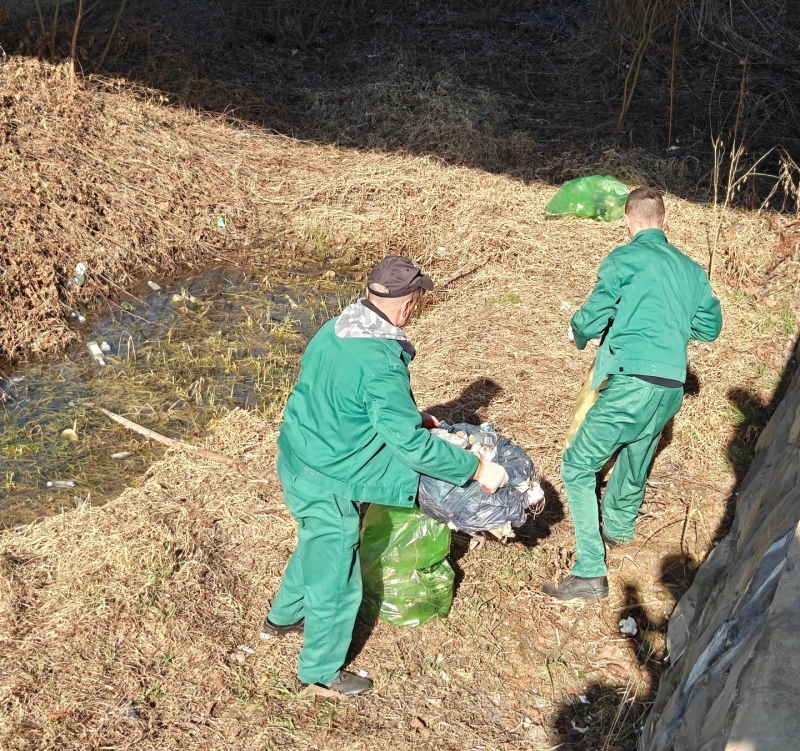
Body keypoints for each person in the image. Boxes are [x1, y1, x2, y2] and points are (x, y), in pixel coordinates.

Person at [262, 256, 509, 694]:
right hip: (330, 478)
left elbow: (349, 400)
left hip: (297, 455)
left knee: (315, 541)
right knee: (338, 575)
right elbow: (410, 446)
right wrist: (474, 468)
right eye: (416, 300)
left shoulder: (336, 327)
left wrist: (415, 419)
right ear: (406, 303)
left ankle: (284, 616)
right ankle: (317, 672)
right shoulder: (380, 360)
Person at [544, 187, 723, 602]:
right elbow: (710, 328)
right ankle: (619, 529)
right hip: (671, 386)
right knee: (638, 450)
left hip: (632, 381)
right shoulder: (691, 270)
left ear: (629, 220)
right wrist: (673, 328)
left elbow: (597, 310)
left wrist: (578, 331)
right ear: (663, 220)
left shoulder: (624, 258)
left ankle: (590, 570)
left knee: (576, 464)